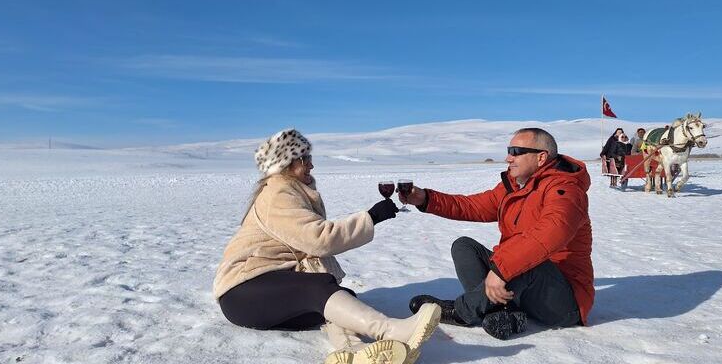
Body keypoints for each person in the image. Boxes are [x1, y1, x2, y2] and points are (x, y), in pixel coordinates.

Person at [213, 128, 441, 364]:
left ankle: (353, 351)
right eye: (305, 159)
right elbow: (319, 240)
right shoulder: (278, 194)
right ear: (287, 164)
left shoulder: (291, 190)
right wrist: (371, 217)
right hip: (243, 292)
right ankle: (391, 330)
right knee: (318, 288)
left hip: (265, 296)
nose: (311, 165)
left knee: (340, 299)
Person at [398, 128, 594, 340]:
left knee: (523, 262)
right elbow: (472, 206)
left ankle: (462, 311)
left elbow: (554, 230)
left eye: (516, 151)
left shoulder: (565, 189)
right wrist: (426, 198)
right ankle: (504, 313)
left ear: (541, 157)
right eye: (509, 150)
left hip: (564, 302)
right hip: (526, 287)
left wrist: (501, 270)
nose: (508, 158)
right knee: (464, 246)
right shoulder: (516, 186)